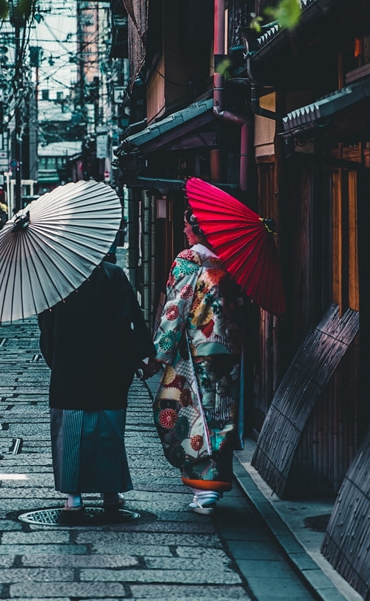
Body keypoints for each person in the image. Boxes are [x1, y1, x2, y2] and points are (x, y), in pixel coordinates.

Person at [37, 258, 155, 512]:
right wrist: (138, 357)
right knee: (108, 430)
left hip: (69, 370)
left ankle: (73, 497)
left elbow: (46, 327)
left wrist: (56, 360)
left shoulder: (56, 278)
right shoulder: (113, 275)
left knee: (69, 433)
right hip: (109, 367)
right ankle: (110, 493)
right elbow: (131, 319)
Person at [149, 208, 244, 515]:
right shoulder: (228, 261)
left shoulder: (189, 260)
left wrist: (161, 352)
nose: (184, 231)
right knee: (220, 415)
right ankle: (211, 486)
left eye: (187, 226)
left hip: (194, 350)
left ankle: (203, 489)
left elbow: (175, 307)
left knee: (185, 412)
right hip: (227, 351)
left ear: (197, 230)